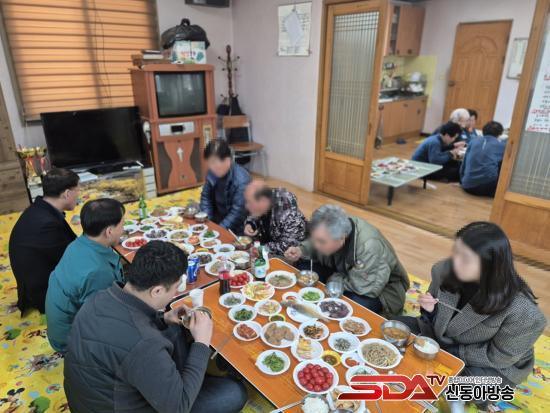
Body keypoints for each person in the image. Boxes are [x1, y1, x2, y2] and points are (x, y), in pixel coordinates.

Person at [64, 241, 248, 413]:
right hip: (121, 407)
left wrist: (163, 318)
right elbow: (178, 407)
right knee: (235, 393)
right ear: (157, 291)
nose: (175, 293)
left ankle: (187, 380)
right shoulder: (144, 343)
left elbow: (130, 328)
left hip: (91, 399)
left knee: (174, 329)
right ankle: (190, 382)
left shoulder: (100, 297)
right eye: (175, 288)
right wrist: (201, 343)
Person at [396, 222, 546, 410]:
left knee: (449, 386)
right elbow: (434, 318)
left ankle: (469, 394)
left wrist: (450, 354)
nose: (455, 262)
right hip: (445, 340)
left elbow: (500, 357)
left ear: (489, 266)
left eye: (465, 258)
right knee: (393, 328)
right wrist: (430, 310)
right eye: (456, 251)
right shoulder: (443, 270)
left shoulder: (523, 312)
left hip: (492, 364)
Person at [285, 205, 409, 316]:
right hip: (343, 272)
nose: (316, 245)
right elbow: (316, 241)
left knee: (348, 308)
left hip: (379, 289)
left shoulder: (370, 246)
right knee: (303, 268)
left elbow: (366, 287)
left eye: (321, 242)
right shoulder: (334, 227)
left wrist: (335, 280)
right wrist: (301, 250)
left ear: (342, 238)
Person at [45, 198, 126, 352]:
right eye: (122, 225)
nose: (123, 229)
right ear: (109, 231)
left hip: (61, 328)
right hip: (71, 341)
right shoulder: (98, 272)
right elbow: (101, 317)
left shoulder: (79, 243)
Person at [9, 168, 80, 314]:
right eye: (78, 190)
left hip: (39, 279)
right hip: (45, 295)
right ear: (67, 193)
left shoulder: (40, 208)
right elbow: (73, 261)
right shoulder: (47, 225)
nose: (78, 195)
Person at [200, 139, 251, 234]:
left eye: (214, 163)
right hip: (218, 221)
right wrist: (208, 222)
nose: (211, 168)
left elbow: (237, 214)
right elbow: (206, 197)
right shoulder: (213, 172)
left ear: (227, 160)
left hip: (237, 228)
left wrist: (217, 231)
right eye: (209, 163)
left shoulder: (242, 180)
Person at [243, 180, 307, 256]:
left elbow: (286, 247)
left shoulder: (290, 216)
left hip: (287, 255)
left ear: (263, 201)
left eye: (250, 202)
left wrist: (260, 248)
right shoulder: (267, 199)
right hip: (267, 246)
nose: (247, 206)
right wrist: (250, 224)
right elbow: (254, 213)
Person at [460, 121, 507, 197]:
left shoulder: (473, 141)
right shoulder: (501, 145)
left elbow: (464, 164)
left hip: (467, 185)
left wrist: (462, 180)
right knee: (503, 163)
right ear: (500, 134)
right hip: (485, 188)